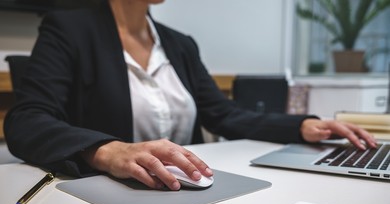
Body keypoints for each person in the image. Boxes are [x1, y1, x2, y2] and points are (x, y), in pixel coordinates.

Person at [4, 0, 376, 191]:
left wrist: (304, 126)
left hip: (192, 191)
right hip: (113, 196)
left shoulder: (179, 44)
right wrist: (108, 149)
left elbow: (225, 115)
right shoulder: (69, 30)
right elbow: (26, 120)